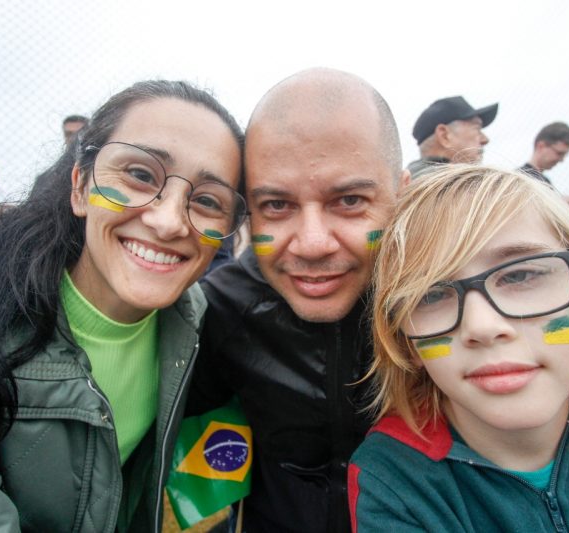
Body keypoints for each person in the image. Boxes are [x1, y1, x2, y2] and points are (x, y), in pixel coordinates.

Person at [0, 80, 247, 532]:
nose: (169, 221)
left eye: (208, 201)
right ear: (79, 187)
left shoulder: (191, 321)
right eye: (139, 175)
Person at [348, 165, 569, 531]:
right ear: (406, 343)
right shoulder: (393, 481)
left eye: (520, 275)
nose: (483, 327)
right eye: (431, 294)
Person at [188, 68, 407, 532]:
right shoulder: (219, 311)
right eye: (277, 206)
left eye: (348, 201)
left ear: (402, 195)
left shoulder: (451, 302)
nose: (311, 244)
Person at [406, 96, 497, 178]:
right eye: (477, 129)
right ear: (444, 136)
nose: (485, 140)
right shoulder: (448, 186)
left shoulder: (411, 181)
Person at [519, 121, 569, 185]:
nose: (562, 160)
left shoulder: (545, 181)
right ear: (541, 146)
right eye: (559, 153)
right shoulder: (519, 178)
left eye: (565, 155)